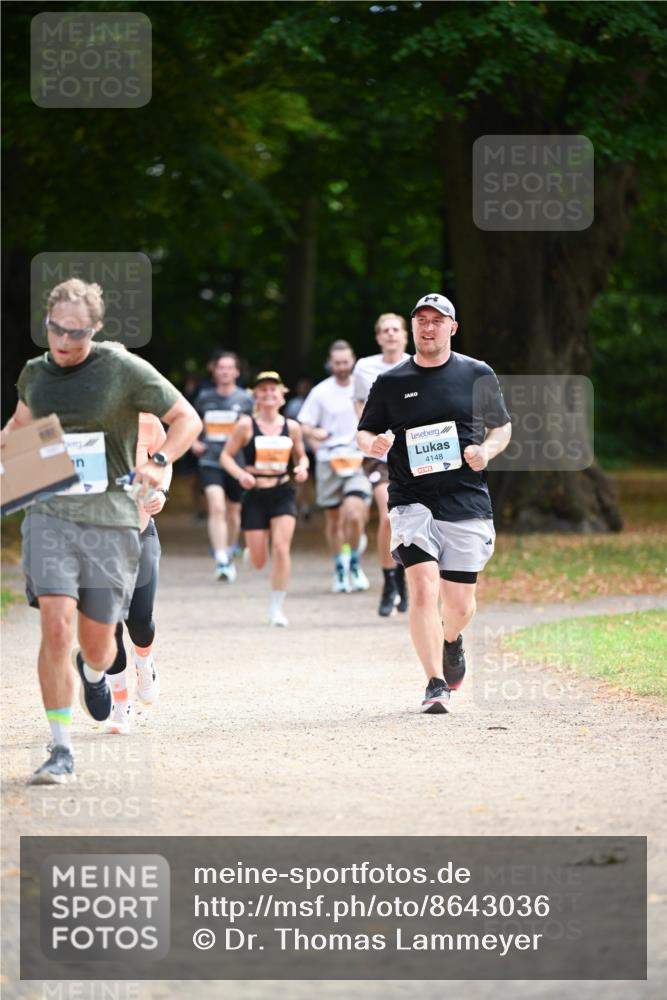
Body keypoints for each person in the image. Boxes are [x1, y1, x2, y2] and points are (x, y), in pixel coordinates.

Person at [1, 277, 202, 783]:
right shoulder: (35, 374)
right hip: (50, 513)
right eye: (55, 330)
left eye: (77, 333)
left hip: (112, 519)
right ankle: (61, 749)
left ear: (95, 328)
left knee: (98, 643)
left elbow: (186, 420)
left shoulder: (121, 368)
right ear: (45, 322)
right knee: (54, 622)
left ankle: (94, 671)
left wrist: (157, 461)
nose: (65, 343)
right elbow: (18, 430)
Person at [357, 293, 511, 714]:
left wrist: (487, 451)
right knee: (423, 587)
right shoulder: (391, 381)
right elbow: (364, 432)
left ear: (452, 328)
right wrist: (375, 443)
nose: (428, 327)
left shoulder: (476, 373)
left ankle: (451, 639)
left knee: (460, 605)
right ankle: (434, 683)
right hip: (411, 499)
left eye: (437, 320)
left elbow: (502, 429)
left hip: (465, 498)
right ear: (412, 327)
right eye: (421, 320)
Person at [221, 371, 309, 626]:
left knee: (281, 548)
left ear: (282, 394)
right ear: (256, 395)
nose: (269, 394)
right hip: (255, 494)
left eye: (273, 389)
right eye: (263, 390)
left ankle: (276, 608)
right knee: (259, 562)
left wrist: (302, 467)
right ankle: (252, 551)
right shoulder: (246, 425)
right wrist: (240, 475)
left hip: (282, 491)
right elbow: (226, 456)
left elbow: (301, 456)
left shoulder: (291, 427)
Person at [106, 411, 172, 735]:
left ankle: (144, 664)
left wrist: (161, 492)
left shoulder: (145, 419)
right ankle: (120, 704)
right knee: (106, 626)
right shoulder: (73, 418)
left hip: (139, 531)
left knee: (140, 620)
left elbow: (166, 456)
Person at [297, 340, 372, 594]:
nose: (341, 367)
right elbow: (303, 425)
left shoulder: (365, 389)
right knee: (333, 519)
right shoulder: (320, 392)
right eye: (337, 363)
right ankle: (340, 566)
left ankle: (354, 561)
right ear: (331, 363)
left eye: (345, 362)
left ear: (353, 361)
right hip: (329, 460)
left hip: (358, 459)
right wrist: (314, 435)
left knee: (354, 513)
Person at [354, 313, 411, 617]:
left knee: (412, 518)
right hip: (379, 453)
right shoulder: (365, 367)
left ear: (405, 335)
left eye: (395, 330)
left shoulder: (417, 365)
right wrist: (372, 438)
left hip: (414, 453)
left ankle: (405, 578)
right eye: (384, 331)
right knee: (388, 516)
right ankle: (390, 582)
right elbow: (360, 408)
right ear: (378, 337)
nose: (390, 334)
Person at [191, 352, 253, 582]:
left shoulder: (246, 400)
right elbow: (191, 423)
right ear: (214, 371)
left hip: (236, 464)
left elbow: (253, 431)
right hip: (210, 460)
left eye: (230, 368)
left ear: (237, 372)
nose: (225, 371)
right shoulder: (204, 397)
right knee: (216, 507)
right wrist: (194, 442)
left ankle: (229, 548)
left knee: (233, 512)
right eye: (221, 368)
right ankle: (221, 558)